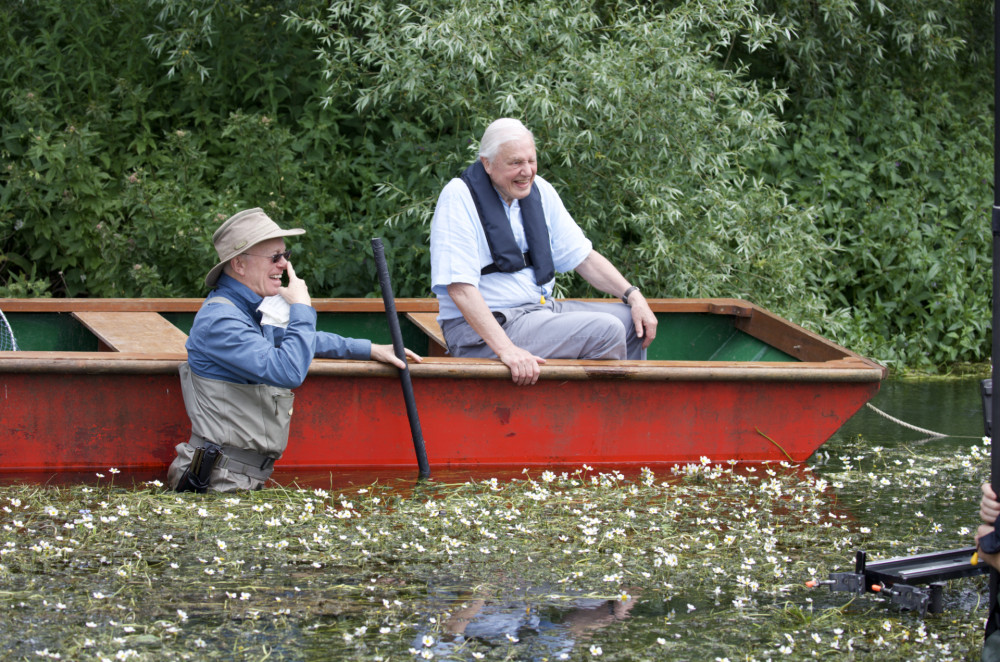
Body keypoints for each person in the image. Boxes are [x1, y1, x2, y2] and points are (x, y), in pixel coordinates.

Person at [166, 207, 420, 492]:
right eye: (275, 257)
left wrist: (369, 349)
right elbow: (287, 370)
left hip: (230, 478)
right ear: (239, 264)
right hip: (215, 482)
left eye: (286, 256)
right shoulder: (221, 320)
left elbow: (289, 338)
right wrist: (301, 306)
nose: (284, 266)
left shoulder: (240, 313)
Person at [429, 118, 658, 386]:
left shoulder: (541, 191)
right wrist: (507, 350)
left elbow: (584, 257)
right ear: (487, 163)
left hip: (539, 312)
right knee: (605, 331)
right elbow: (460, 289)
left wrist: (634, 296)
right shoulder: (459, 196)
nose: (526, 171)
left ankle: (626, 415)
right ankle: (595, 420)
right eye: (515, 163)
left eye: (531, 161)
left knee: (631, 322)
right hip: (484, 330)